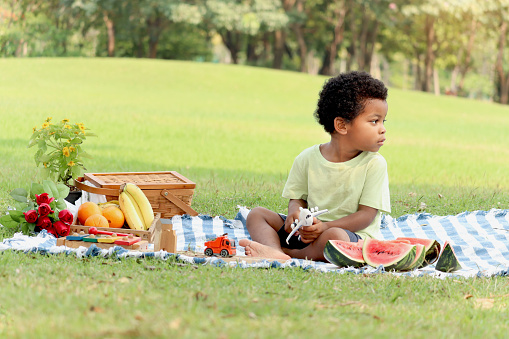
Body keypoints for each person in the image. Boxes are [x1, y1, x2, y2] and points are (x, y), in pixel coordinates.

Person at [239, 71, 391, 261]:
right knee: (257, 214)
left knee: (334, 236)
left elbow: (366, 216)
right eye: (374, 121)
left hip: (348, 237)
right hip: (307, 233)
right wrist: (293, 213)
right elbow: (297, 200)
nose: (383, 128)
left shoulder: (374, 164)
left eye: (384, 121)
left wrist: (325, 227)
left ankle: (287, 254)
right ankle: (273, 250)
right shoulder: (307, 158)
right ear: (342, 125)